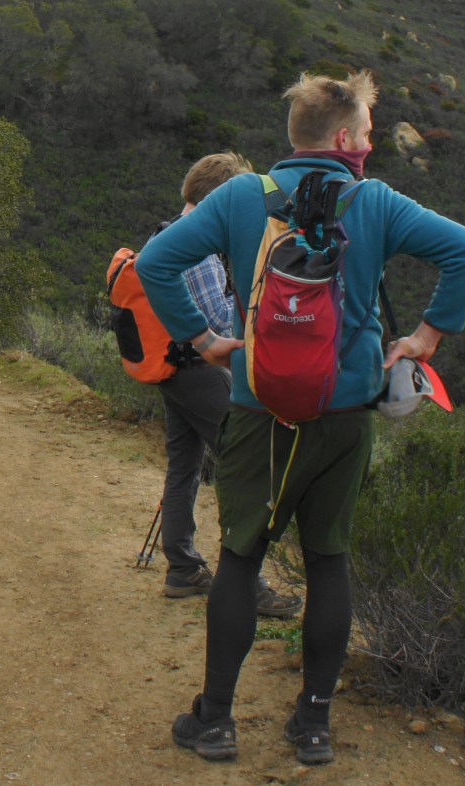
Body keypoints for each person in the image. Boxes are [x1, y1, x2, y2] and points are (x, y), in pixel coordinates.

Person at [137, 70, 465, 768]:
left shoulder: (242, 195)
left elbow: (156, 262)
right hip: (345, 415)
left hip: (258, 410)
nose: (369, 144)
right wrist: (424, 338)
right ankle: (314, 724)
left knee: (240, 558)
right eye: (366, 133)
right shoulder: (375, 201)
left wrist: (204, 341)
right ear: (343, 137)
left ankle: (216, 720)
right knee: (329, 562)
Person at [158, 152, 303, 622]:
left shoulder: (168, 234)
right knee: (245, 466)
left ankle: (182, 568)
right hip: (198, 371)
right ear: (217, 198)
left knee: (183, 465)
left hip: (172, 370)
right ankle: (247, 584)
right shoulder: (200, 251)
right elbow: (221, 323)